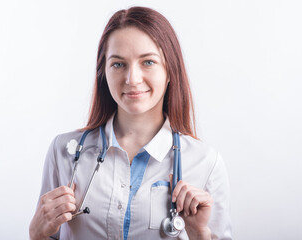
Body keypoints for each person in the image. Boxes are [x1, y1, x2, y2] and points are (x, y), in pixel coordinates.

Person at [29, 6, 232, 240]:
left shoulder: (206, 163)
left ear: (170, 70)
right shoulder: (63, 152)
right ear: (103, 72)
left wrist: (199, 233)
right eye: (118, 64)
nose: (132, 79)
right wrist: (36, 234)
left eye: (148, 62)